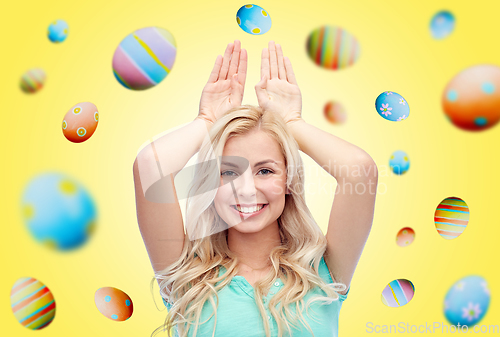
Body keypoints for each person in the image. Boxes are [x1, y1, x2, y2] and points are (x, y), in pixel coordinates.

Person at [133, 40, 378, 337]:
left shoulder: (324, 271)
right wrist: (207, 121)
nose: (246, 190)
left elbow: (360, 171)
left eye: (265, 170)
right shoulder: (186, 276)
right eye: (228, 172)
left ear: (289, 180)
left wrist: (291, 122)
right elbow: (149, 166)